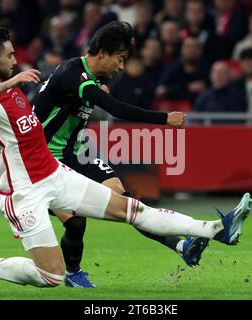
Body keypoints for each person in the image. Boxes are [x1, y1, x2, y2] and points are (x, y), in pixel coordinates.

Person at [0, 26, 252, 289]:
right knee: (50, 276)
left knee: (132, 208)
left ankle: (215, 229)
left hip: (54, 172)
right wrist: (3, 83)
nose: (16, 60)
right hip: (22, 189)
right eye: (9, 55)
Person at [32, 22, 208, 288]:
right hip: (43, 161)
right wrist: (164, 119)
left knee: (126, 203)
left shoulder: (94, 77)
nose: (122, 66)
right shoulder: (73, 74)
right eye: (120, 59)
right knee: (76, 223)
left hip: (77, 153)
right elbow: (115, 109)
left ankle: (181, 245)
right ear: (102, 53)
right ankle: (72, 273)